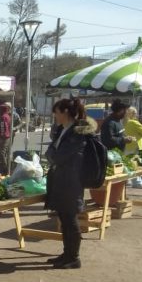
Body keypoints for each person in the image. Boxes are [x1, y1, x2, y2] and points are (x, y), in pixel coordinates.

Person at [44, 98, 98, 269]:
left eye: (57, 112)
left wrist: (52, 154)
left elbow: (57, 155)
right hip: (61, 178)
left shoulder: (78, 132)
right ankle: (66, 253)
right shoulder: (63, 129)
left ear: (66, 112)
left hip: (71, 180)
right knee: (64, 218)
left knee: (70, 218)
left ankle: (74, 257)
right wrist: (53, 154)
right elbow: (53, 152)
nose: (55, 115)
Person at [123, 106, 142, 189]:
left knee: (128, 164)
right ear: (133, 114)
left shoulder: (123, 122)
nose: (137, 115)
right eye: (136, 113)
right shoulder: (134, 122)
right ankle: (137, 182)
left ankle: (128, 180)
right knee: (135, 165)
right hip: (135, 145)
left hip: (127, 145)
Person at [0, 103, 13, 174]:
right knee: (5, 153)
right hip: (8, 136)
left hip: (4, 137)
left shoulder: (3, 117)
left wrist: (0, 135)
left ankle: (5, 169)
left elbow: (3, 127)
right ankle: (6, 168)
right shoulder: (8, 116)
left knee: (1, 153)